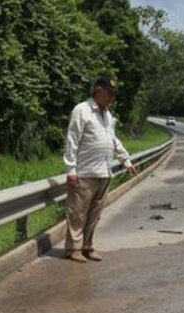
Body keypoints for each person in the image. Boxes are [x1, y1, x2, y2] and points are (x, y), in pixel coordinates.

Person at [62, 77, 138, 263]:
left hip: (104, 172)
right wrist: (71, 168)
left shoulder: (107, 115)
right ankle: (73, 249)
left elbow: (113, 140)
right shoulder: (82, 110)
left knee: (94, 214)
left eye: (113, 95)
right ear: (98, 90)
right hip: (85, 172)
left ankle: (87, 246)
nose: (111, 98)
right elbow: (72, 139)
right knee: (77, 213)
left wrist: (126, 160)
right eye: (109, 94)